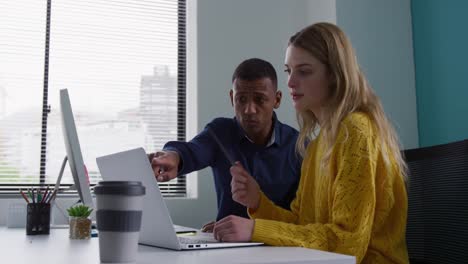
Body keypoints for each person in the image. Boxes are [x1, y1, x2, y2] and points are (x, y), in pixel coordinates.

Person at [212, 23, 409, 264]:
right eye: (288, 71)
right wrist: (257, 202)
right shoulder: (316, 145)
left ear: (334, 75)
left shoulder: (356, 131)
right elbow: (302, 225)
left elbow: (348, 244)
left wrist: (254, 231)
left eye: (303, 71)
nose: (291, 82)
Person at [150, 58, 302, 232]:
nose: (249, 109)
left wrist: (250, 230)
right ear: (232, 98)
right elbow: (193, 151)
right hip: (228, 247)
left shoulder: (300, 148)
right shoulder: (220, 132)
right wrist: (173, 156)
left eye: (260, 99)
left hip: (282, 250)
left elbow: (303, 219)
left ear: (277, 99)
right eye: (241, 99)